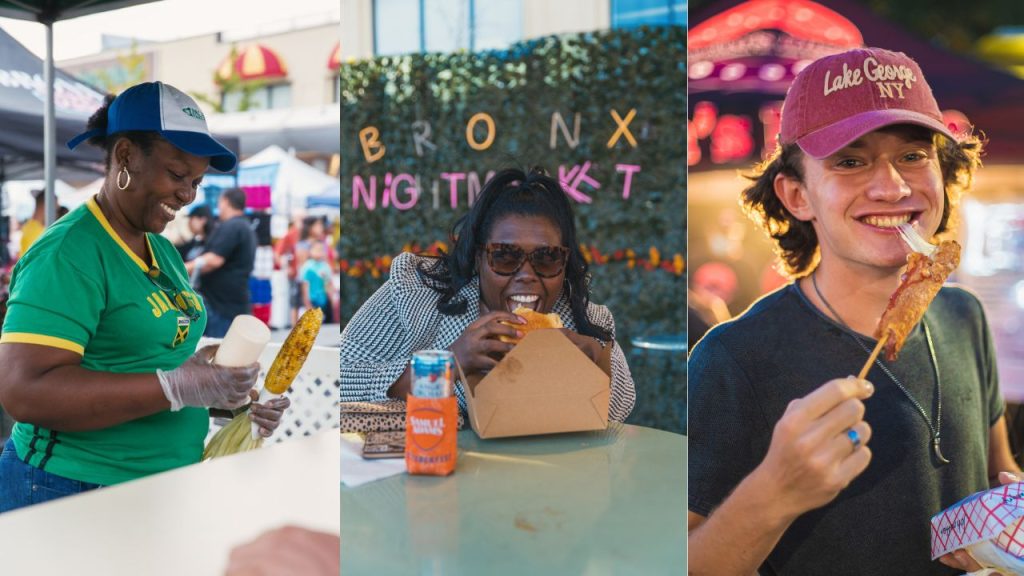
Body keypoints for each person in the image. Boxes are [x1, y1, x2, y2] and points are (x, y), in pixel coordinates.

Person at [687, 48, 1020, 575]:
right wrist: (774, 493)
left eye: (913, 155)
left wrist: (1006, 525)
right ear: (796, 195)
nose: (893, 187)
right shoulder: (732, 358)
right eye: (850, 161)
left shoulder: (964, 316)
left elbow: (999, 471)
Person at [0, 81, 289, 513]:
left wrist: (226, 398)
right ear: (125, 156)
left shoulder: (163, 250)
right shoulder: (68, 253)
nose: (188, 195)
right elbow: (24, 392)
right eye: (177, 175)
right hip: (70, 488)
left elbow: (145, 363)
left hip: (160, 485)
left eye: (196, 181)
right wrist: (179, 385)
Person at [341, 167, 635, 421]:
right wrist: (449, 364)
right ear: (479, 258)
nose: (527, 274)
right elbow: (340, 381)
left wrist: (595, 361)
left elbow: (620, 409)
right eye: (505, 256)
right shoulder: (416, 291)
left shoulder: (585, 320)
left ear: (564, 262)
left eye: (547, 258)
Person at [185, 188, 257, 338]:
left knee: (215, 350)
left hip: (221, 306)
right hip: (231, 303)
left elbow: (213, 260)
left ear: (225, 202)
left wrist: (180, 269)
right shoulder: (244, 226)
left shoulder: (233, 226)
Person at [177, 204, 214, 288]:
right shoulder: (194, 242)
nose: (189, 222)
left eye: (192, 219)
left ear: (202, 220)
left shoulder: (214, 243)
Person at [300, 241, 335, 324]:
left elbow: (329, 283)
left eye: (321, 250)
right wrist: (307, 301)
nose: (319, 252)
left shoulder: (325, 266)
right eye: (317, 249)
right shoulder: (308, 266)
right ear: (310, 251)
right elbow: (305, 285)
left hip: (324, 299)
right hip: (312, 299)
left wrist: (331, 298)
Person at [18, 190, 45, 259]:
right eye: (55, 209)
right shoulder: (35, 230)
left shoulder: (31, 226)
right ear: (45, 206)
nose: (56, 213)